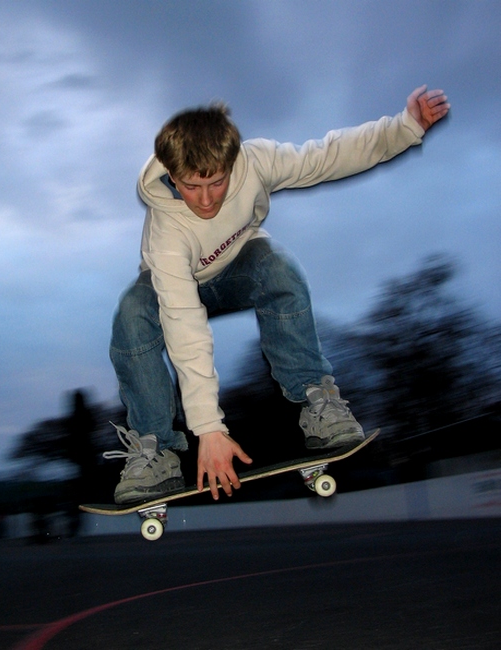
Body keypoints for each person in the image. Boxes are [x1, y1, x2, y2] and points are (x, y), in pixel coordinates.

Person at [104, 85, 450, 504]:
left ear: (232, 162)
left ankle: (318, 401)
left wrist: (405, 127)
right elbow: (185, 326)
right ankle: (154, 450)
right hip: (173, 286)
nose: (207, 200)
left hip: (240, 268)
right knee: (132, 313)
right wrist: (209, 429)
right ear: (172, 176)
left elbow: (325, 157)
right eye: (192, 187)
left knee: (277, 267)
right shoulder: (167, 233)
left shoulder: (255, 161)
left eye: (217, 182)